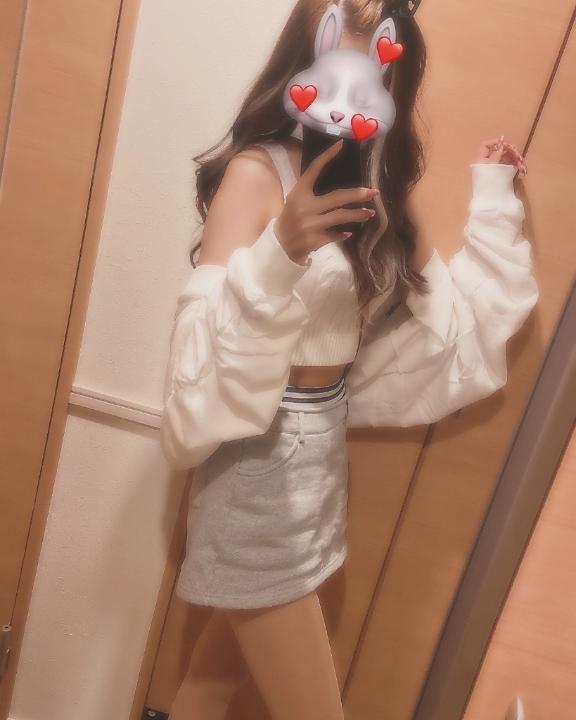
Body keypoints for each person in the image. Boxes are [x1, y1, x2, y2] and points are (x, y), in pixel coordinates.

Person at [162, 1, 538, 719]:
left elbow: (453, 319)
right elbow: (198, 349)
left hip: (321, 451)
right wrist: (281, 249)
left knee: (211, 683)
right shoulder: (255, 175)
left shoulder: (376, 195)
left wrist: (491, 194)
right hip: (258, 461)